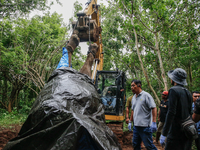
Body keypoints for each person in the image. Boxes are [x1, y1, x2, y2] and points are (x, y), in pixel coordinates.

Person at [160, 68, 193, 150]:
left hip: (175, 131)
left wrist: (164, 133)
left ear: (174, 79)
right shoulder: (187, 92)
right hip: (186, 131)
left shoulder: (173, 90)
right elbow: (190, 112)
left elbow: (171, 112)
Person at [128, 79, 157, 150]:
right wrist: (130, 121)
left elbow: (154, 108)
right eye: (131, 86)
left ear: (139, 85)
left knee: (149, 146)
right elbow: (133, 110)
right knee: (135, 145)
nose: (132, 87)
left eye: (133, 86)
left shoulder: (146, 96)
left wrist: (154, 122)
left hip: (145, 127)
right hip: (136, 126)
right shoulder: (134, 97)